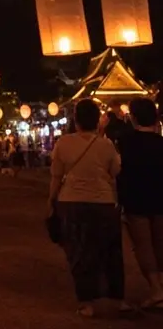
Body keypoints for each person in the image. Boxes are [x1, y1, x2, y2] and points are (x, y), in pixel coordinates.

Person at [49, 97, 129, 317]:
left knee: (79, 251)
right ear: (97, 121)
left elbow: (56, 176)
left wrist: (51, 200)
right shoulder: (106, 145)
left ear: (76, 121)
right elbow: (115, 171)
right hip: (103, 202)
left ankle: (87, 302)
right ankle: (117, 298)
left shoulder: (64, 143)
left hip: (71, 201)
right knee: (110, 251)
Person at [116, 97, 163, 308]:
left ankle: (156, 290)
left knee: (143, 246)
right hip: (160, 199)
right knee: (160, 243)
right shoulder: (160, 143)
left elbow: (120, 171)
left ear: (133, 118)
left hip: (136, 200)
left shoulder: (126, 142)